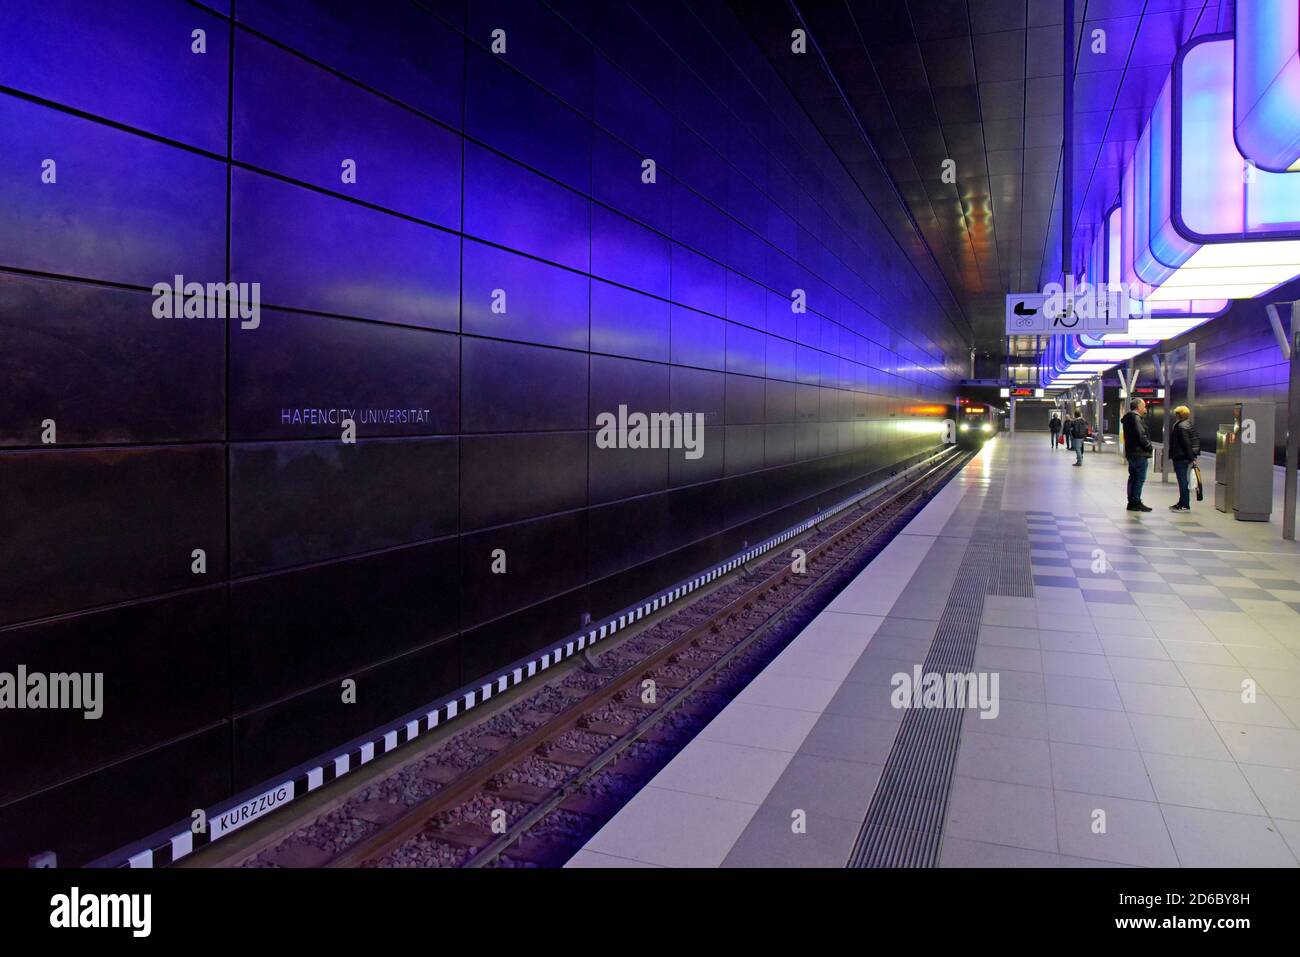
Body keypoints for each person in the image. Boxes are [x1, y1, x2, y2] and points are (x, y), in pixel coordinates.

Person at [1121, 398, 1154, 511]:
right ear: (1138, 407)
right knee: (1139, 478)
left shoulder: (1128, 418)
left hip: (1131, 452)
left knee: (1133, 477)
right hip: (1139, 452)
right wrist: (1149, 447)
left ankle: (1131, 501)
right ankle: (1136, 501)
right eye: (1144, 406)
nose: (1145, 408)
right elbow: (1141, 436)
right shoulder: (1136, 418)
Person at [1169, 405, 1200, 512]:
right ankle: (1182, 502)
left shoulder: (1181, 426)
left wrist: (1191, 458)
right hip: (1185, 456)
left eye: (1176, 413)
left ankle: (1185, 504)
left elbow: (1186, 443)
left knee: (1182, 480)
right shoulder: (1188, 424)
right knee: (1183, 480)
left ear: (1179, 415)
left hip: (1181, 457)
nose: (1175, 415)